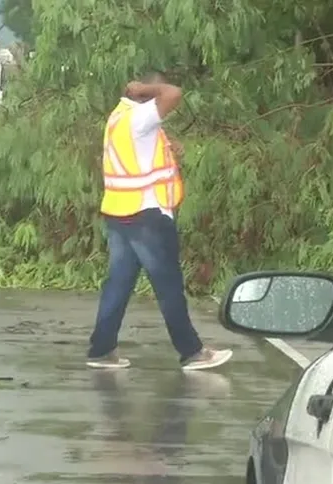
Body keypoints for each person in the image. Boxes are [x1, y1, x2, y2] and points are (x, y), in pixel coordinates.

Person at [86, 71, 233, 371]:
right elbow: (174, 93)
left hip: (120, 212)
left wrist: (169, 146)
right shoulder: (140, 117)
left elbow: (137, 152)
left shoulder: (119, 117)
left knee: (118, 284)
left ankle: (101, 350)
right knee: (168, 287)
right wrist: (149, 88)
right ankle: (192, 351)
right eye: (153, 94)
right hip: (146, 215)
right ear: (144, 96)